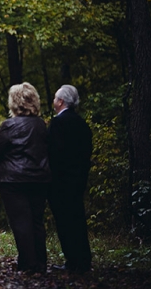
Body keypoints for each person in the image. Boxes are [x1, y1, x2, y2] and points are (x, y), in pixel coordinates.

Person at [0, 82, 51, 274]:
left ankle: (28, 264)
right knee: (36, 221)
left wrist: (3, 169)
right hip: (39, 180)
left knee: (21, 222)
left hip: (13, 181)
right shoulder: (42, 125)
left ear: (14, 102)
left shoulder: (8, 126)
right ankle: (40, 263)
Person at [48, 84, 93, 274]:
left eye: (55, 99)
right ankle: (83, 260)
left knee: (65, 222)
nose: (53, 102)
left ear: (61, 101)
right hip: (78, 180)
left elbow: (54, 153)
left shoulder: (57, 124)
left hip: (60, 182)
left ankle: (72, 261)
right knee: (78, 219)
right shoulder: (82, 124)